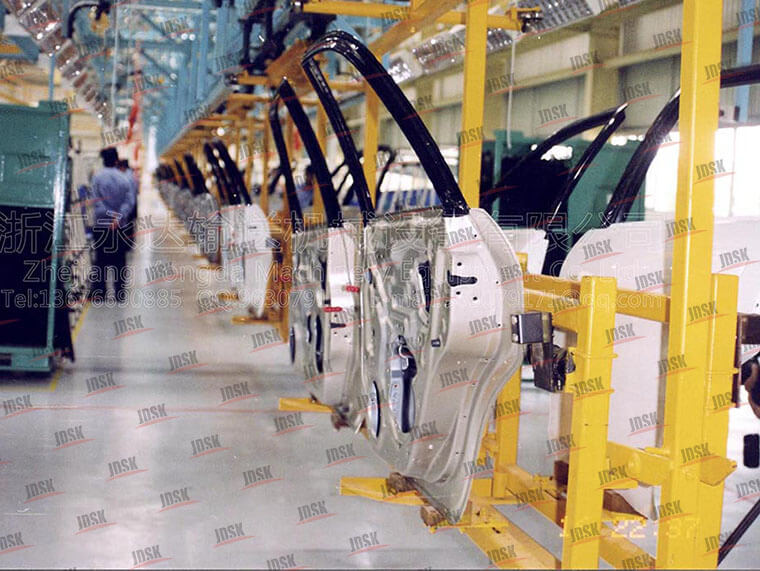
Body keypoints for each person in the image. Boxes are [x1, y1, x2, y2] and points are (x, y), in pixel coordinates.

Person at [90, 148, 134, 302]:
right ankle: (119, 292)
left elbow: (96, 201)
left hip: (101, 226)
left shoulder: (97, 178)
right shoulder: (124, 178)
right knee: (119, 260)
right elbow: (129, 201)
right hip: (120, 226)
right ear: (116, 160)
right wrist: (117, 217)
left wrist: (109, 216)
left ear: (103, 160)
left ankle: (100, 293)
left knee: (100, 260)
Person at [117, 158, 139, 250]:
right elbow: (136, 189)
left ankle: (126, 245)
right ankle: (130, 243)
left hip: (127, 204)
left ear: (122, 167)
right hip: (133, 203)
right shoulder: (132, 175)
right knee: (130, 225)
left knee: (125, 226)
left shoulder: (124, 176)